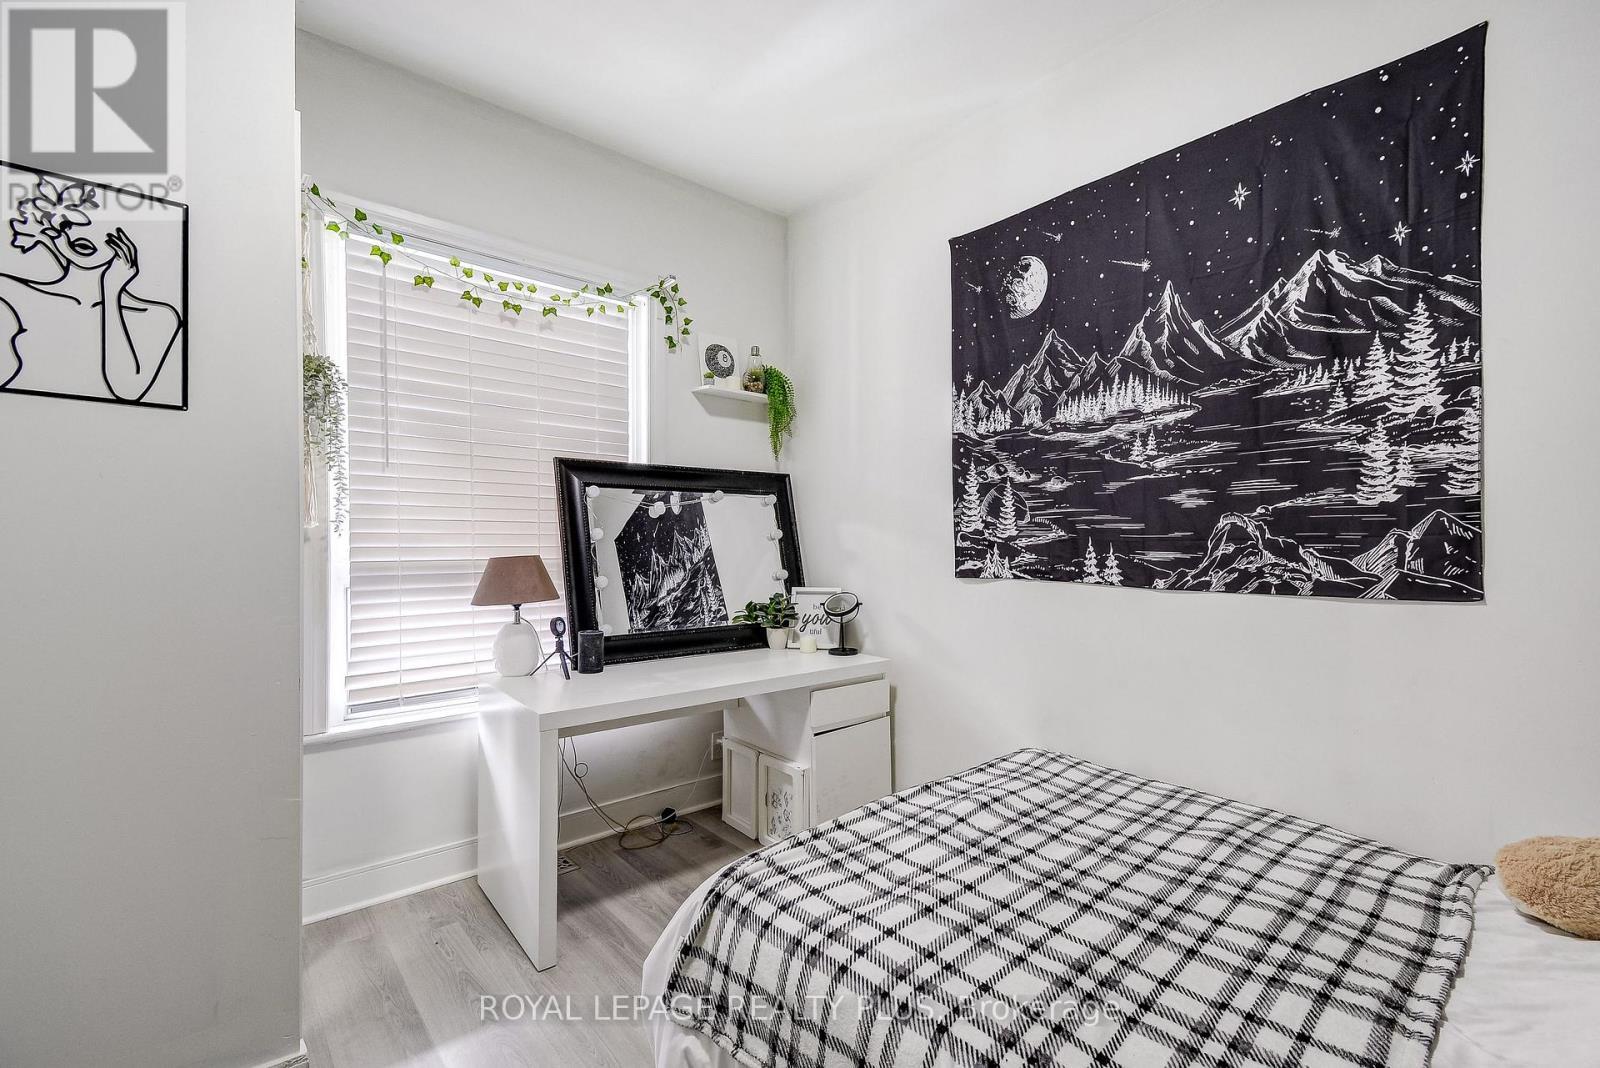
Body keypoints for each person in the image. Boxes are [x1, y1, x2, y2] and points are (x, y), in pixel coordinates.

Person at [1, 175, 183, 403]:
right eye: (67, 223)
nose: (80, 234)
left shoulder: (157, 315)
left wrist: (111, 291)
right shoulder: (9, 293)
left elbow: (127, 390)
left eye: (99, 225)